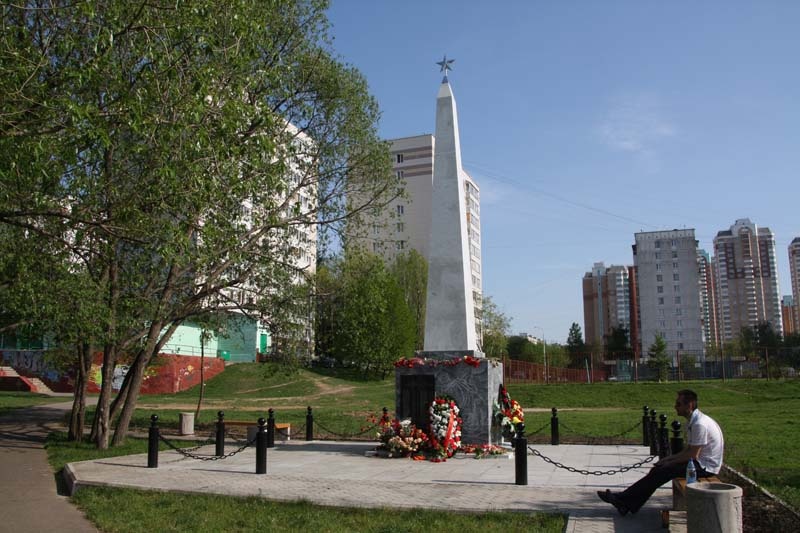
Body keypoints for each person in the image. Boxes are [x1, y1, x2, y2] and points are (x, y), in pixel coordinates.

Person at [597, 389, 724, 516]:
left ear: (689, 405)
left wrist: (670, 462)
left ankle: (623, 500)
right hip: (698, 463)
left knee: (663, 471)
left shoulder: (699, 424)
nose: (675, 407)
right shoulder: (694, 421)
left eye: (678, 404)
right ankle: (626, 503)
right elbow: (688, 450)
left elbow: (692, 455)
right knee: (659, 469)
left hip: (705, 467)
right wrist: (668, 459)